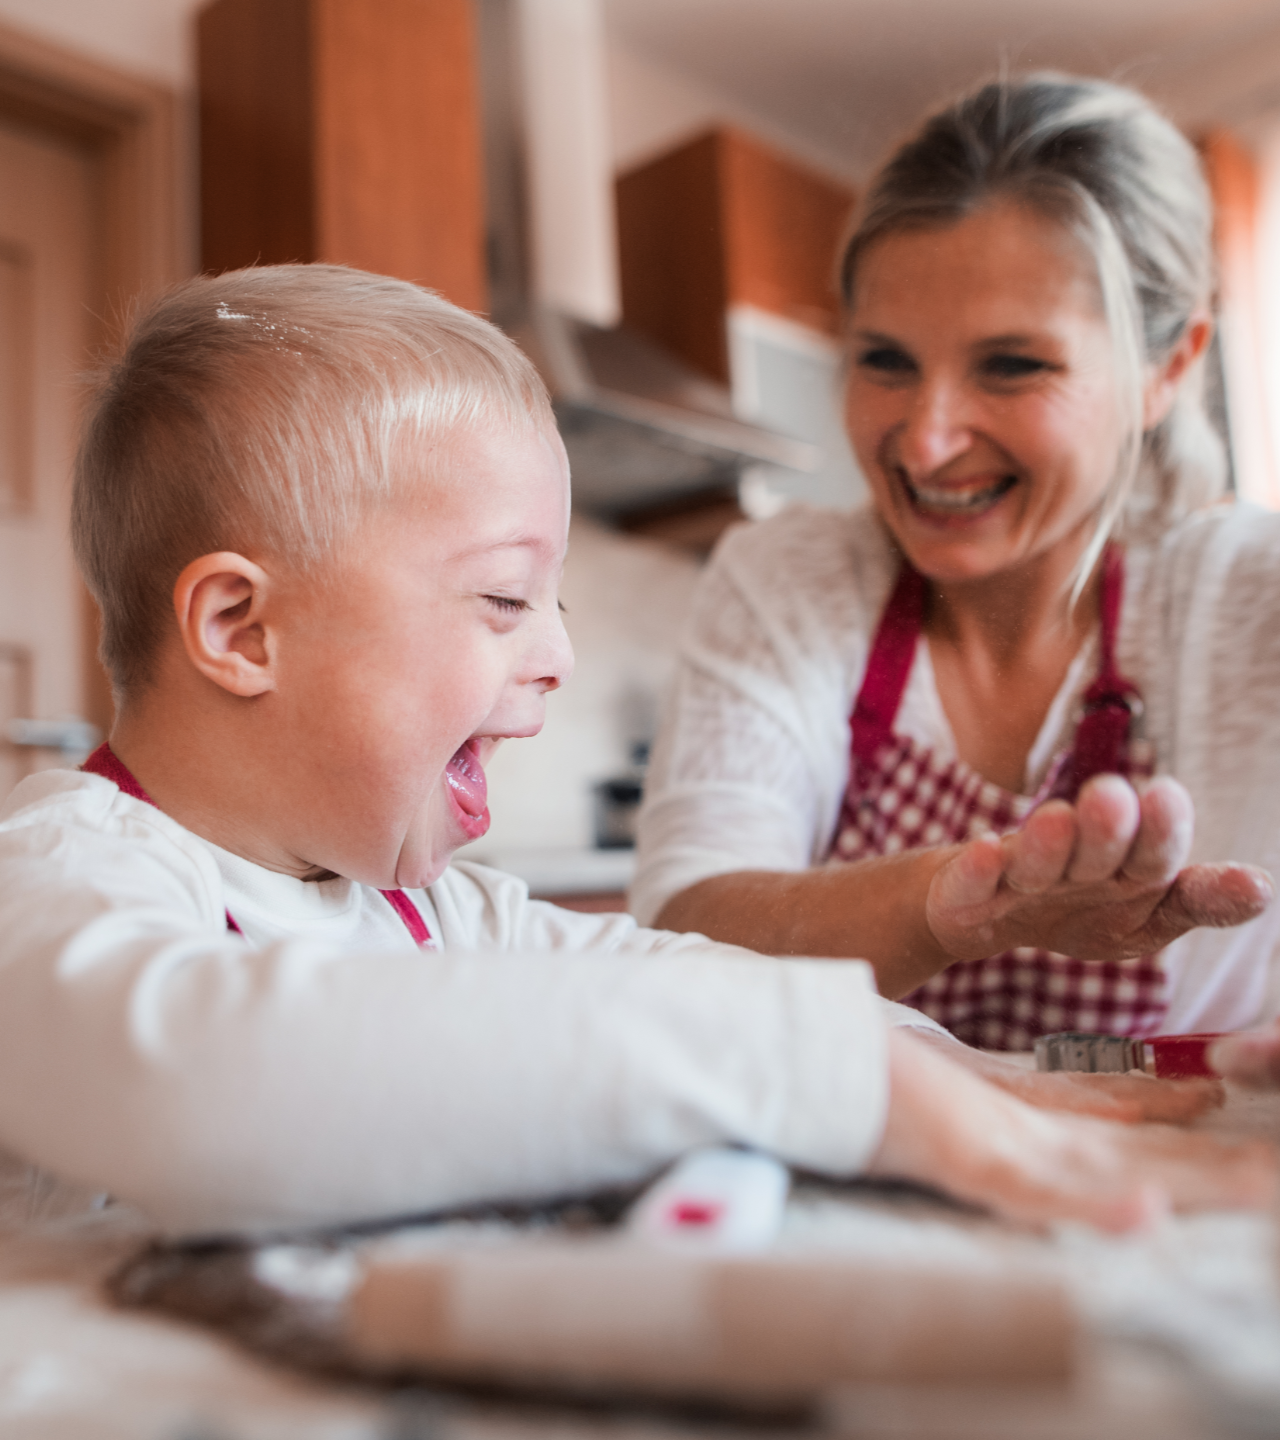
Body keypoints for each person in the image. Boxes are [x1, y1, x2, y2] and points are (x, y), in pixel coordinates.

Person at [0, 264, 1267, 1239]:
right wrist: (822, 1080)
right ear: (242, 627)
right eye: (504, 600)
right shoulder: (63, 874)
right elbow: (190, 1089)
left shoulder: (435, 916)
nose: (554, 648)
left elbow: (689, 982)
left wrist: (1007, 1082)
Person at [634, 73, 1280, 1061]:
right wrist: (955, 908)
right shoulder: (788, 580)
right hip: (849, 1162)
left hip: (1163, 1176)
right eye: (884, 360)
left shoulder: (1248, 595)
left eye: (1012, 365)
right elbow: (683, 940)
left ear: (1168, 367)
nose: (926, 444)